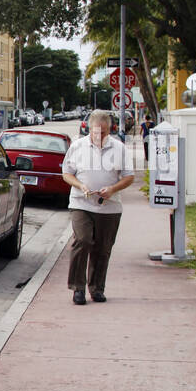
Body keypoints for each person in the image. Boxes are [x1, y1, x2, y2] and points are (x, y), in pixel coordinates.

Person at [61, 109, 135, 305]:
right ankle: (77, 288)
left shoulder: (119, 148)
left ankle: (96, 288)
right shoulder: (78, 147)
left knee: (103, 249)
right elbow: (66, 174)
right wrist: (80, 185)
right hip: (81, 203)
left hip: (109, 207)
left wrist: (112, 189)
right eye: (96, 132)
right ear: (89, 129)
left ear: (109, 130)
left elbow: (129, 177)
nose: (99, 136)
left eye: (103, 132)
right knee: (82, 240)